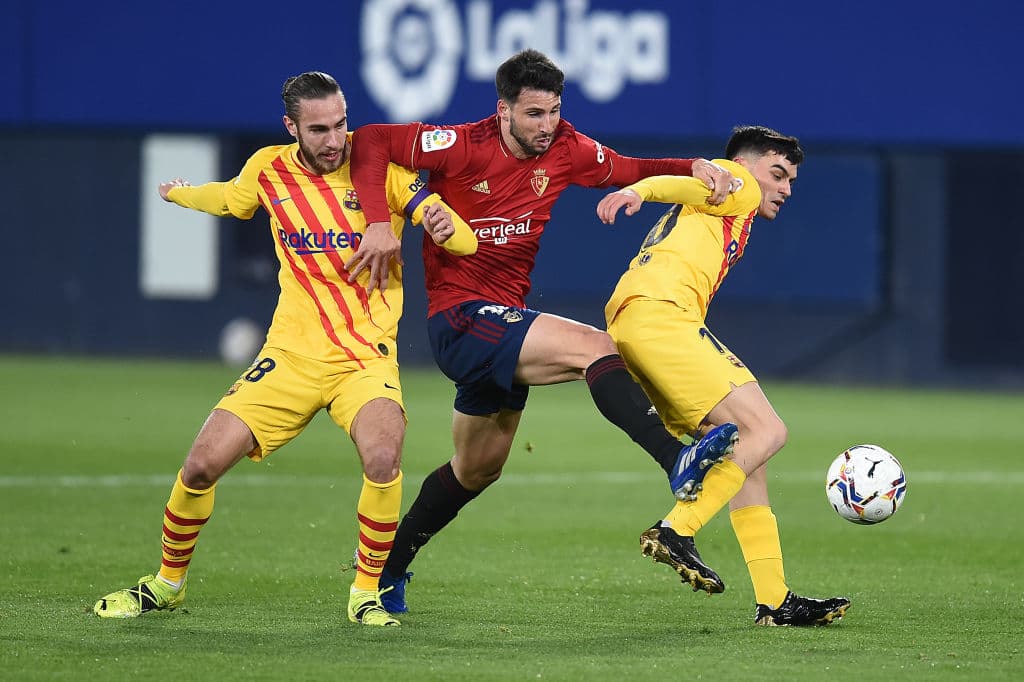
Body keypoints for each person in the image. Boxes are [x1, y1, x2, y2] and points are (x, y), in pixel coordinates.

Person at [348, 48, 741, 614]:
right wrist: (382, 224)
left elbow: (629, 167)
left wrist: (692, 168)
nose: (546, 125)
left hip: (501, 327)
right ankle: (672, 456)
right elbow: (370, 143)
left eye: (553, 111)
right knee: (597, 348)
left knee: (477, 469)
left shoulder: (566, 148)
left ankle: (385, 573)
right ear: (502, 109)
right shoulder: (459, 144)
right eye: (533, 114)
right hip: (459, 318)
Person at [92, 71, 476, 627]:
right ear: (291, 126)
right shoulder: (268, 169)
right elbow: (230, 199)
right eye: (318, 128)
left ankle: (365, 593)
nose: (334, 139)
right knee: (200, 466)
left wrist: (441, 222)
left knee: (383, 456)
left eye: (341, 123)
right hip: (290, 357)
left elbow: (459, 238)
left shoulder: (380, 172)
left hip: (363, 359)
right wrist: (179, 193)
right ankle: (166, 584)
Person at [597, 125, 851, 626]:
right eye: (777, 173)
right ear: (747, 165)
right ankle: (677, 528)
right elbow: (685, 181)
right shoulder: (737, 181)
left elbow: (691, 189)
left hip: (636, 320)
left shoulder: (720, 204)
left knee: (747, 455)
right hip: (661, 315)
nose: (784, 188)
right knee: (770, 431)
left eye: (791, 181)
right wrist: (636, 189)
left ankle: (774, 600)